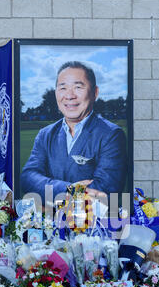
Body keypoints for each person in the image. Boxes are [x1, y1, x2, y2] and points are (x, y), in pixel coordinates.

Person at [20, 61, 128, 205]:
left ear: (95, 92)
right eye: (63, 88)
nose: (69, 96)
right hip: (50, 223)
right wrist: (69, 190)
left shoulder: (111, 135)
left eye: (78, 87)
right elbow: (28, 178)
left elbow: (105, 190)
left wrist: (48, 190)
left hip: (92, 224)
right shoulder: (45, 134)